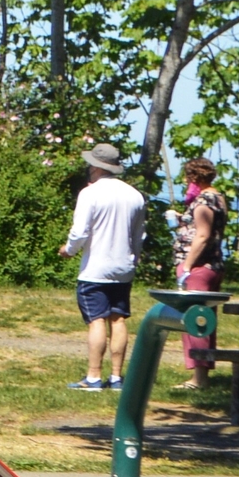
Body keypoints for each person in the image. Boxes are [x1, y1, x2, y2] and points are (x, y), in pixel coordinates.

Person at [65, 142, 148, 390]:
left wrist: (68, 250)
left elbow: (80, 232)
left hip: (96, 268)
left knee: (97, 321)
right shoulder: (135, 195)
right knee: (118, 320)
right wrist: (134, 258)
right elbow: (138, 236)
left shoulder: (89, 194)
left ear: (96, 167)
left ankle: (93, 376)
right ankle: (116, 377)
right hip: (123, 267)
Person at [175, 158, 227, 384]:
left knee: (195, 321)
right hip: (213, 265)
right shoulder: (218, 197)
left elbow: (204, 235)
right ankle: (201, 373)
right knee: (204, 320)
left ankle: (199, 378)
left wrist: (187, 266)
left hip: (199, 268)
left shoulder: (204, 200)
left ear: (193, 177)